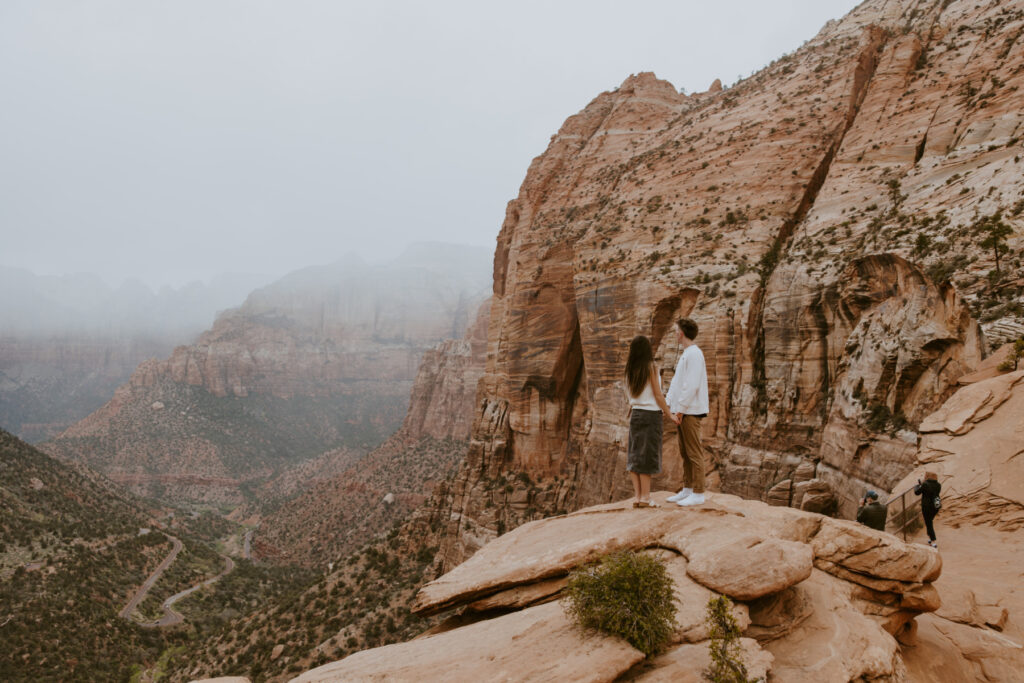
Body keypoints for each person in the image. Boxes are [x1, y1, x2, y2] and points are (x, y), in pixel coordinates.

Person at [624, 335, 679, 508]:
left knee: (634, 454)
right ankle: (646, 498)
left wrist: (633, 408)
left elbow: (631, 395)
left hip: (636, 414)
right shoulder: (651, 367)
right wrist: (668, 412)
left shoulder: (629, 369)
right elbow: (657, 394)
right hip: (650, 415)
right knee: (647, 455)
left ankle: (638, 497)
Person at [665, 318, 710, 507]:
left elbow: (690, 386)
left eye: (675, 330)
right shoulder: (688, 353)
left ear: (681, 333)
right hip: (683, 411)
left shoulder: (694, 354)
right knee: (685, 451)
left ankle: (699, 492)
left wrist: (681, 410)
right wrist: (670, 406)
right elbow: (678, 384)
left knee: (693, 452)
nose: (674, 333)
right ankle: (688, 489)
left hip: (690, 411)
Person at [914, 471, 942, 548]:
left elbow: (917, 492)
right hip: (936, 506)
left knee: (929, 523)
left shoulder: (925, 484)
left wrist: (917, 486)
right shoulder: (938, 485)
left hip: (927, 507)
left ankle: (933, 541)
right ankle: (930, 537)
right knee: (929, 521)